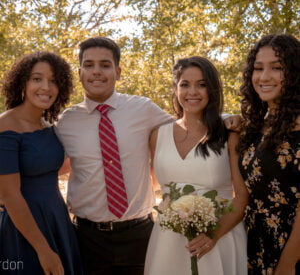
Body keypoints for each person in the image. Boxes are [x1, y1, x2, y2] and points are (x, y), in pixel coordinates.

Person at [55, 37, 241, 275]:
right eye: (89, 65)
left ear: (118, 71)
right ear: (79, 72)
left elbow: (189, 122)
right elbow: (46, 164)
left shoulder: (142, 109)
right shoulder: (66, 122)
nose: (97, 72)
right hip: (86, 238)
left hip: (139, 234)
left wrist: (227, 118)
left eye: (105, 64)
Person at [144, 56, 248, 274]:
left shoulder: (228, 131)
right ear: (175, 88)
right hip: (168, 242)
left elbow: (242, 195)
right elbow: (156, 186)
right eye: (185, 84)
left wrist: (213, 235)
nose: (193, 92)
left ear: (212, 90)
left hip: (219, 239)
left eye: (201, 85)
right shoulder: (158, 135)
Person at [0, 51, 83, 275]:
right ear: (22, 83)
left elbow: (51, 167)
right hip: (26, 228)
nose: (46, 87)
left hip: (57, 218)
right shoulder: (6, 126)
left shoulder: (48, 125)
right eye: (37, 79)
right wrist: (43, 249)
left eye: (53, 80)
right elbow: (9, 195)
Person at [238, 33, 300, 275]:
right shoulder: (255, 126)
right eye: (258, 68)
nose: (264, 77)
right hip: (254, 245)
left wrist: (287, 265)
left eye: (276, 68)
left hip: (291, 251)